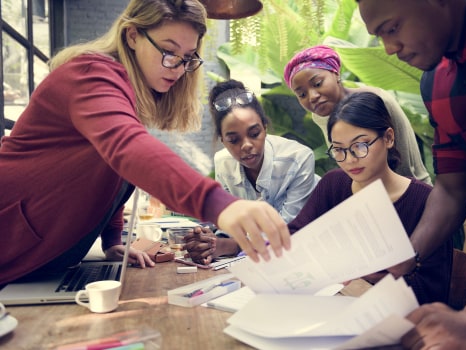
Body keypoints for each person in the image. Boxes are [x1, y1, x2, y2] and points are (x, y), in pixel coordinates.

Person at [0, 0, 291, 286]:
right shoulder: (89, 75)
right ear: (133, 35)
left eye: (188, 57)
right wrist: (220, 205)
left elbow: (111, 171)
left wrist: (112, 240)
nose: (177, 68)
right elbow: (127, 148)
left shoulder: (124, 92)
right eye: (168, 51)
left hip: (42, 258)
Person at [185, 91, 452, 305]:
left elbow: (432, 292)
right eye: (339, 150)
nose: (350, 160)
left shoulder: (426, 202)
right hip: (334, 310)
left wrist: (359, 275)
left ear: (389, 138)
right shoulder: (334, 184)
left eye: (360, 146)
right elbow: (294, 236)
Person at [357, 0, 466, 348]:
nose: (390, 49)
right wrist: (408, 253)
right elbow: (452, 188)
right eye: (379, 36)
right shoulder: (437, 83)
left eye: (392, 28)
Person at [283, 45, 432, 185]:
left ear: (336, 74)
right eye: (302, 94)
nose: (312, 96)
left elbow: (405, 161)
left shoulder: (376, 101)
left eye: (317, 84)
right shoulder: (321, 115)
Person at [210, 79, 319, 224]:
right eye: (234, 140)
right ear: (222, 140)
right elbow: (230, 220)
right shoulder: (223, 162)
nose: (246, 145)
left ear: (265, 128)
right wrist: (213, 241)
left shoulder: (298, 159)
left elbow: (289, 227)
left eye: (254, 134)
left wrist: (234, 244)